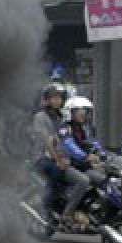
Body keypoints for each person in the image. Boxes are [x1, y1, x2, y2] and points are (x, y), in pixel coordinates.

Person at [32, 84, 92, 228]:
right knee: (82, 180)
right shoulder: (41, 117)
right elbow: (47, 140)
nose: (58, 100)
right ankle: (57, 211)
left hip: (61, 158)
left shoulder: (61, 118)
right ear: (47, 99)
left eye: (60, 97)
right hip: (43, 158)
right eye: (54, 97)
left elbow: (66, 141)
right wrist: (59, 159)